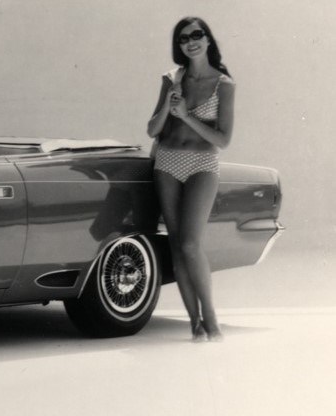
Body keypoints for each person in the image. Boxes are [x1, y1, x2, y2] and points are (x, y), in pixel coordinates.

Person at [146, 17, 235, 342]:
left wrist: (186, 116)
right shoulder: (171, 78)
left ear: (208, 39)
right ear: (178, 45)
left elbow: (223, 140)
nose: (191, 42)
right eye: (183, 38)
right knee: (175, 245)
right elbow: (152, 130)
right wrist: (169, 106)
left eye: (197, 35)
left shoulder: (224, 84)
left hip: (202, 164)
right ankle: (195, 325)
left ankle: (212, 323)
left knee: (190, 244)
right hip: (167, 162)